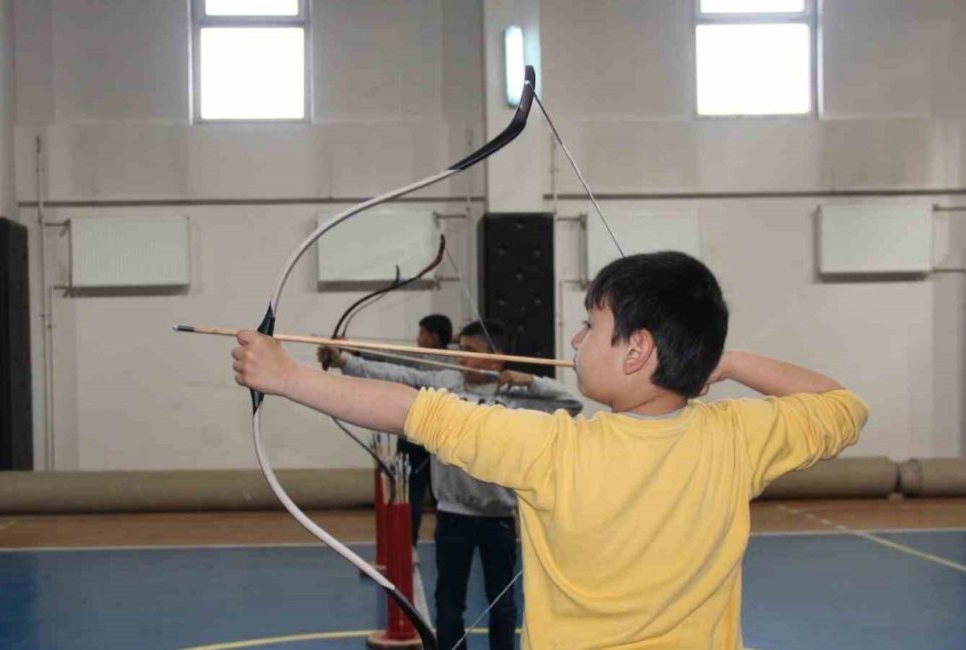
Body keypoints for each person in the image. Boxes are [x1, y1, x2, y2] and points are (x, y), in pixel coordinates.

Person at [233, 251, 868, 649]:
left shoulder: (551, 448)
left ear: (637, 350)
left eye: (591, 325)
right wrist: (726, 361)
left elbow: (411, 410)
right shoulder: (737, 438)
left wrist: (288, 378)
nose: (575, 336)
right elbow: (842, 406)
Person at [319, 320, 582, 650]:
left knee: (502, 604)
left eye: (471, 352)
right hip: (452, 515)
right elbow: (398, 377)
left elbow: (572, 405)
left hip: (498, 519)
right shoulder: (446, 383)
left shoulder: (517, 394)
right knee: (448, 602)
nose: (461, 358)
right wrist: (344, 361)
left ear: (496, 358)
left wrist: (530, 380)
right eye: (461, 350)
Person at [339, 313, 454, 545]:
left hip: (439, 438)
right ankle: (407, 544)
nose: (418, 338)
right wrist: (352, 350)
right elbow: (389, 357)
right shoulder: (419, 357)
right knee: (410, 493)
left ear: (434, 337)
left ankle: (445, 539)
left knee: (443, 496)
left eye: (422, 333)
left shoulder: (452, 366)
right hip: (413, 436)